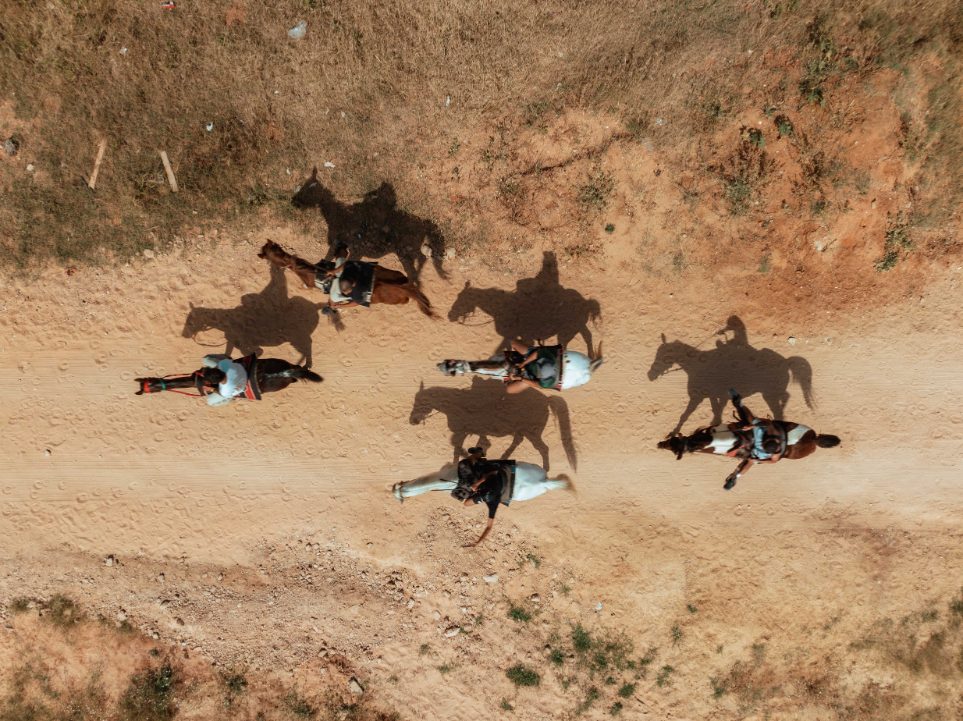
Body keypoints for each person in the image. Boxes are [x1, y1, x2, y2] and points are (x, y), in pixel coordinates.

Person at [724, 389, 786, 489]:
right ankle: (739, 403)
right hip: (760, 435)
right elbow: (768, 423)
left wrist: (757, 459)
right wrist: (752, 426)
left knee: (750, 462)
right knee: (752, 420)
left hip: (759, 451)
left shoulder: (775, 452)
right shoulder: (773, 433)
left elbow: (773, 461)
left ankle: (735, 476)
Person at [453, 447, 510, 547]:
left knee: (466, 502)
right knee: (464, 465)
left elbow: (489, 527)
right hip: (486, 479)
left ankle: (476, 455)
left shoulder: (493, 502)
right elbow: (492, 473)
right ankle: (477, 454)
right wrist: (477, 483)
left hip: (488, 486)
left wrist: (478, 542)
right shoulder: (493, 503)